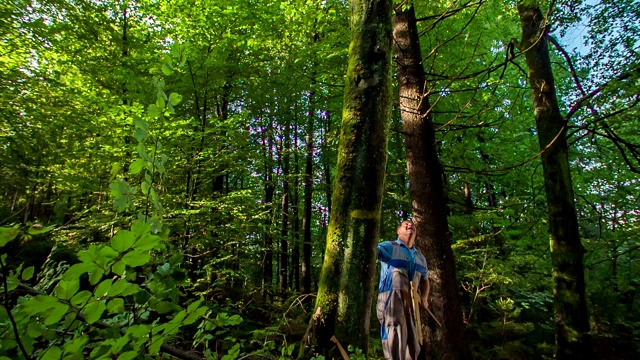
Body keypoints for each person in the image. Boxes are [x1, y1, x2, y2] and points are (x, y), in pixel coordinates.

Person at [376, 219, 430, 360]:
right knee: (394, 339)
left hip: (412, 306)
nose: (409, 224)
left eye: (412, 225)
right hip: (391, 301)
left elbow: (425, 280)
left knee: (413, 345)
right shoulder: (389, 247)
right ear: (398, 232)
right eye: (405, 224)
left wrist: (424, 298)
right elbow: (370, 250)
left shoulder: (420, 257)